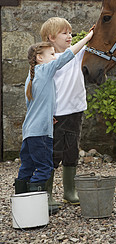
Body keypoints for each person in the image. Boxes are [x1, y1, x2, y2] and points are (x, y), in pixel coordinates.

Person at [15, 31, 93, 213]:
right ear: (39, 58)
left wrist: (48, 114)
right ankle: (36, 206)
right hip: (41, 132)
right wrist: (88, 37)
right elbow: (66, 57)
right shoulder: (45, 69)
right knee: (44, 167)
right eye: (51, 54)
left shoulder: (32, 76)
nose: (54, 57)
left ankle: (20, 204)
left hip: (29, 131)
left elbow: (35, 103)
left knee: (27, 167)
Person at [40, 17, 93, 207]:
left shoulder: (79, 54)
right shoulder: (49, 60)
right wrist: (87, 37)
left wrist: (94, 33)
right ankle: (46, 193)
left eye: (70, 32)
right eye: (65, 33)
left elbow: (91, 47)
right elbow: (68, 55)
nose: (70, 36)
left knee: (71, 151)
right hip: (57, 114)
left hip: (76, 111)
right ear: (51, 37)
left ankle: (69, 191)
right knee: (53, 153)